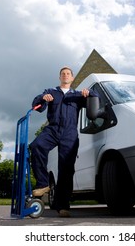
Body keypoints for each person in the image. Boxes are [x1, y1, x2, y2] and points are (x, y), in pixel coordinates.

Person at [29, 66, 98, 217]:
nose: (65, 75)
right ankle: (42, 184)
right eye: (63, 74)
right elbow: (35, 105)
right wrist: (43, 98)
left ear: (72, 78)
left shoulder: (78, 95)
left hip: (70, 133)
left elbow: (96, 97)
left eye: (68, 74)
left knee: (66, 169)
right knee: (36, 146)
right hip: (52, 129)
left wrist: (90, 93)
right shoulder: (51, 91)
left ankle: (63, 206)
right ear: (60, 77)